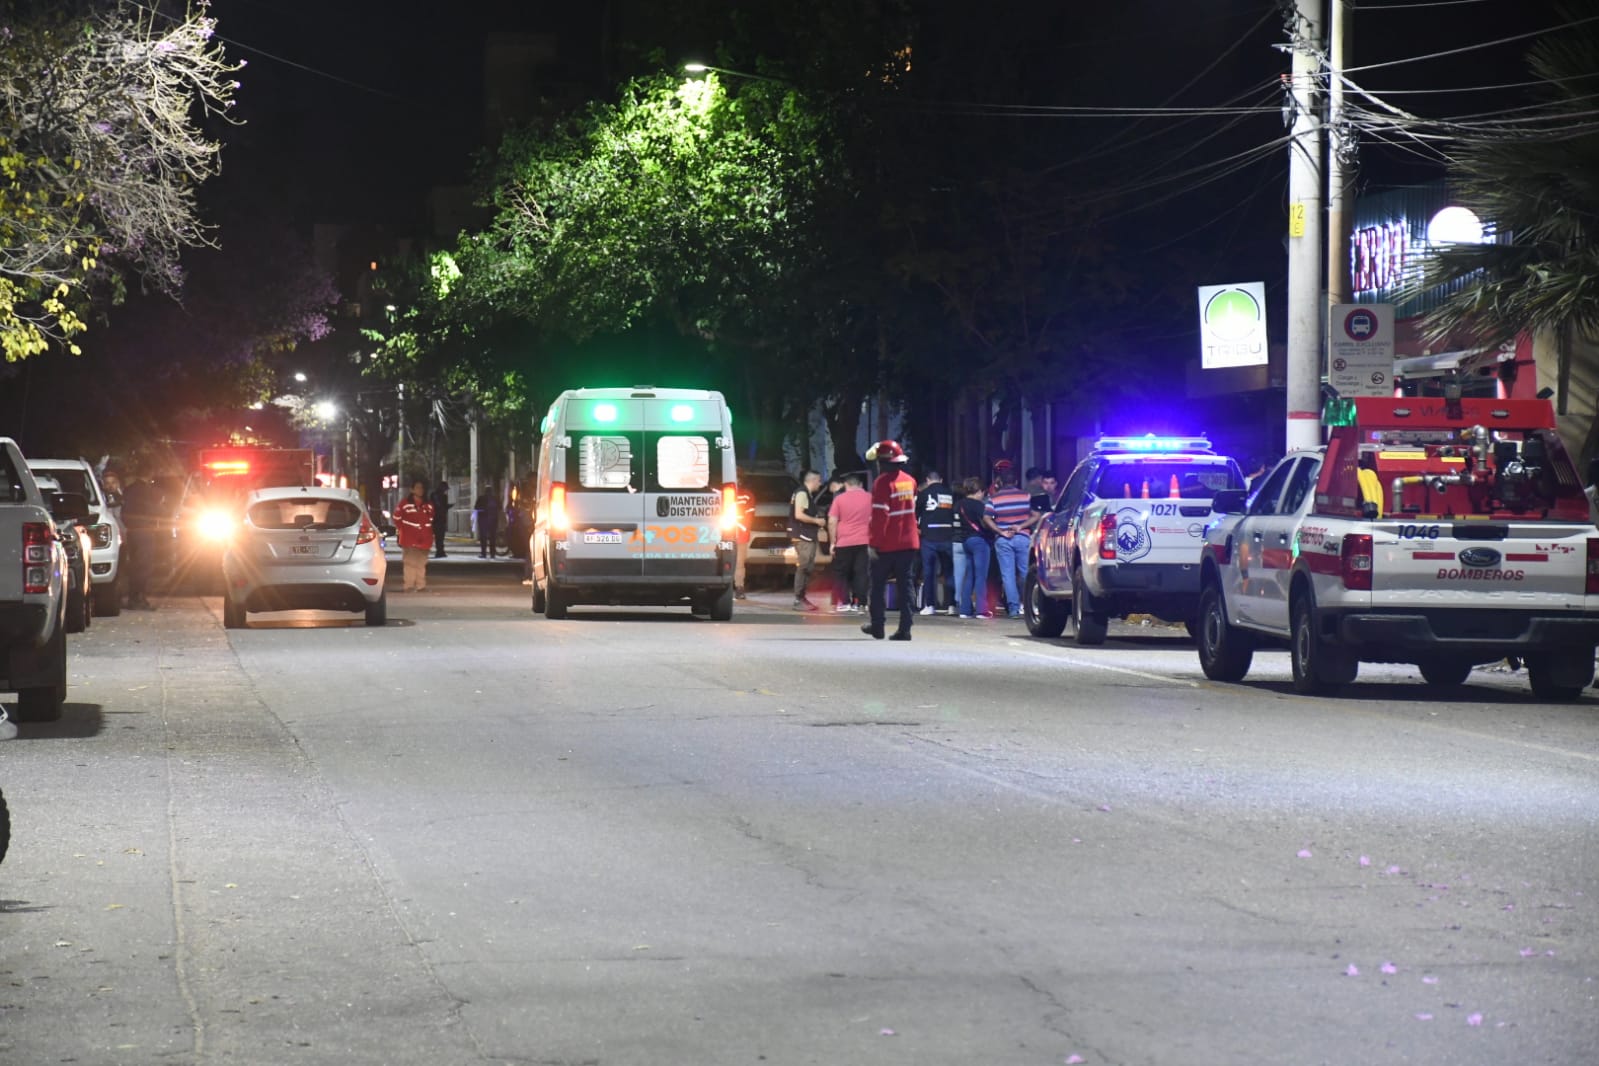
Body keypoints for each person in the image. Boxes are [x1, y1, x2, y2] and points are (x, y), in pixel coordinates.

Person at [862, 439, 920, 641]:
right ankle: (906, 628)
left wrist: (873, 544)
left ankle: (878, 626)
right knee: (906, 585)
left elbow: (880, 518)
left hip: (886, 545)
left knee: (877, 586)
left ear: (884, 462)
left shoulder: (882, 483)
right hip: (909, 543)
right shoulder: (910, 481)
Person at [984, 465, 1033, 618]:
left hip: (1003, 540)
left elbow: (986, 518)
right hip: (1023, 537)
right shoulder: (1026, 496)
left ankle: (1013, 609)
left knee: (1008, 575)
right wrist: (1021, 526)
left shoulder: (994, 498)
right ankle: (1028, 605)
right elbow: (1036, 515)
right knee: (1025, 572)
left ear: (1000, 482)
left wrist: (1000, 531)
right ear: (1016, 481)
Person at [827, 472, 871, 612]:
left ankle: (844, 602)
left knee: (842, 573)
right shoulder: (870, 498)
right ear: (861, 485)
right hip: (865, 541)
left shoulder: (839, 499)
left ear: (846, 485)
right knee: (861, 572)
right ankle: (860, 603)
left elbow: (832, 522)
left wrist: (833, 542)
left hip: (844, 541)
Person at [916, 469, 957, 616]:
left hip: (929, 537)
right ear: (940, 480)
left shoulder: (923, 494)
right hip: (947, 535)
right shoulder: (949, 494)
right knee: (949, 572)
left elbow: (916, 514)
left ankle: (930, 605)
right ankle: (952, 605)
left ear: (927, 480)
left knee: (929, 572)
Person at [119, 476, 164, 610]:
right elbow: (156, 510)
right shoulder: (149, 491)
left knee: (135, 565)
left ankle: (134, 597)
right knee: (144, 566)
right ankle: (138, 598)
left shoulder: (129, 490)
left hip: (132, 531)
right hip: (145, 531)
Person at [955, 477, 993, 618]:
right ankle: (981, 610)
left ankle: (965, 610)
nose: (983, 495)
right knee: (981, 576)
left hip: (965, 541)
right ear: (978, 491)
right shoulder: (979, 506)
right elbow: (986, 523)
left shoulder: (959, 504)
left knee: (969, 576)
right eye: (983, 492)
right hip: (979, 541)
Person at [788, 469, 826, 611]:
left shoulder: (805, 494)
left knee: (808, 567)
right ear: (813, 480)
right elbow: (799, 514)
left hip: (806, 534)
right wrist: (816, 521)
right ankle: (799, 599)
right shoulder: (802, 493)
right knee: (804, 567)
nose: (820, 483)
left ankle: (802, 597)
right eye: (819, 480)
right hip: (802, 535)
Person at [395, 480, 435, 591]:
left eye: (422, 488)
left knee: (421, 564)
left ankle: (421, 585)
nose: (420, 490)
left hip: (425, 539)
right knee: (410, 563)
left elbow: (431, 520)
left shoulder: (428, 505)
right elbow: (397, 518)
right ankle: (409, 586)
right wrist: (404, 530)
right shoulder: (404, 504)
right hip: (409, 539)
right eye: (417, 487)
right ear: (412, 490)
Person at [473, 486, 501, 558]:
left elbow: (476, 507)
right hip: (493, 520)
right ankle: (492, 554)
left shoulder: (481, 498)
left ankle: (484, 553)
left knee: (483, 537)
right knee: (492, 537)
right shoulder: (495, 498)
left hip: (483, 520)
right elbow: (500, 508)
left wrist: (482, 510)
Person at [429, 480, 451, 558]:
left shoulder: (433, 495)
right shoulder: (443, 496)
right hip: (439, 518)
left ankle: (440, 551)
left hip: (435, 518)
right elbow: (444, 507)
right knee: (440, 536)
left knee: (439, 536)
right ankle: (440, 551)